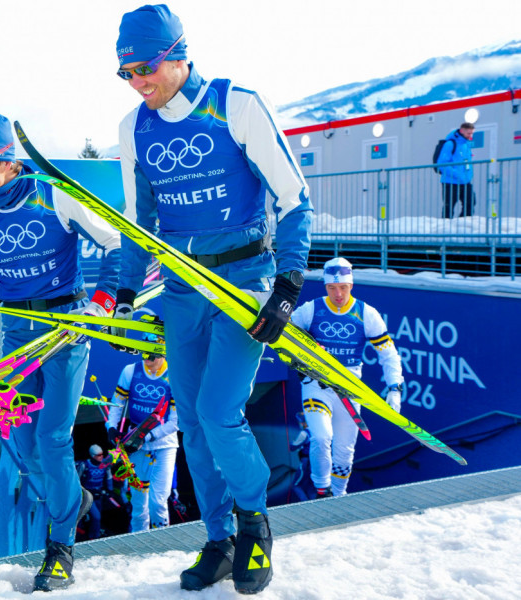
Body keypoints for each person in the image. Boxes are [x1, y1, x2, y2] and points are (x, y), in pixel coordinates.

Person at [110, 5, 312, 594]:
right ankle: (218, 539)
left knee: (221, 412)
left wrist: (289, 285)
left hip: (243, 281)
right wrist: (124, 291)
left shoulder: (237, 104)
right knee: (193, 423)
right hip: (179, 289)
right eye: (125, 72)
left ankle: (255, 528)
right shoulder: (135, 128)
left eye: (144, 67)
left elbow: (294, 197)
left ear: (178, 53)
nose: (137, 81)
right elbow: (135, 219)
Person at [0, 109, 121, 592]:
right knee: (23, 442)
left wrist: (102, 304)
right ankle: (75, 502)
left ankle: (61, 547)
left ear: (6, 161)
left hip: (66, 330)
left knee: (52, 438)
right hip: (16, 334)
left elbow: (116, 244)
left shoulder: (54, 194)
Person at [290, 257, 403, 498]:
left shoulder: (366, 313)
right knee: (322, 438)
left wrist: (394, 387)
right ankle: (322, 489)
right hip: (317, 384)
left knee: (344, 450)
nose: (338, 293)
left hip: (350, 386)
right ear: (325, 286)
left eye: (343, 287)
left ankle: (339, 496)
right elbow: (285, 338)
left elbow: (388, 353)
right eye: (332, 287)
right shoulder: (312, 309)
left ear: (351, 285)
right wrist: (302, 356)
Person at [105, 335, 178, 532]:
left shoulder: (175, 374)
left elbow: (176, 422)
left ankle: (161, 545)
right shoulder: (131, 371)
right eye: (143, 354)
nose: (147, 360)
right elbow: (117, 403)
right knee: (138, 504)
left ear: (162, 353)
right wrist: (111, 428)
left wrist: (146, 436)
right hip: (135, 443)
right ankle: (138, 543)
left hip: (164, 445)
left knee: (158, 502)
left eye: (152, 356)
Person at [436, 122, 475, 218]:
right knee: (449, 207)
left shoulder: (466, 145)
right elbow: (442, 164)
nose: (470, 136)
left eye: (471, 133)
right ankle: (446, 228)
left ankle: (463, 226)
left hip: (465, 181)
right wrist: (458, 175)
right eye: (468, 133)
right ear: (462, 131)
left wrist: (468, 175)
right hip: (450, 182)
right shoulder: (450, 144)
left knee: (470, 203)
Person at [76, 444, 113, 540]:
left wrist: (110, 490)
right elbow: (77, 480)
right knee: (96, 517)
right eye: (98, 455)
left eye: (102, 454)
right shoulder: (84, 465)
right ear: (92, 456)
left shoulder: (104, 465)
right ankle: (94, 537)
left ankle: (93, 532)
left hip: (99, 495)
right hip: (88, 495)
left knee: (98, 516)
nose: (101, 457)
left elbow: (109, 477)